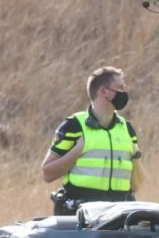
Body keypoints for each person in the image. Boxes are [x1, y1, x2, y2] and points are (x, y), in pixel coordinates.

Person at [42, 66, 144, 215]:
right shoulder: (74, 126)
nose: (125, 92)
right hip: (80, 217)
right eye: (120, 87)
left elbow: (136, 184)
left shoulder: (127, 130)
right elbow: (47, 174)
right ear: (103, 91)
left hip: (118, 216)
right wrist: (77, 151)